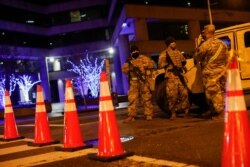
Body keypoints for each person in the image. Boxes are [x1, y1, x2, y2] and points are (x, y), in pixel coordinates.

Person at [194, 24, 228, 119]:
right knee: (221, 91)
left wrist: (200, 43)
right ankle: (215, 111)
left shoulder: (205, 45)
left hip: (211, 72)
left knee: (214, 93)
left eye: (204, 33)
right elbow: (227, 58)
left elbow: (197, 56)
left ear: (207, 33)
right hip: (222, 71)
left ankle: (220, 113)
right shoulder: (222, 44)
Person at [158, 37, 190, 120]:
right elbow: (160, 64)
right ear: (169, 44)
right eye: (172, 42)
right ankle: (173, 113)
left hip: (179, 76)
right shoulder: (164, 53)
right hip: (171, 76)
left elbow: (183, 61)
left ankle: (186, 111)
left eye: (174, 42)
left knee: (184, 94)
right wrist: (168, 63)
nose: (174, 43)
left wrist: (183, 66)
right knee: (172, 95)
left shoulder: (178, 52)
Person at [122, 45, 155, 122]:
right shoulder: (128, 61)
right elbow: (124, 70)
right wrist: (130, 67)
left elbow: (151, 64)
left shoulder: (144, 58)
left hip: (143, 81)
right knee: (132, 99)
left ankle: (148, 114)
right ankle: (131, 116)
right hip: (133, 82)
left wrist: (143, 65)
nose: (135, 52)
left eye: (136, 51)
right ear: (131, 53)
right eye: (133, 51)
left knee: (146, 98)